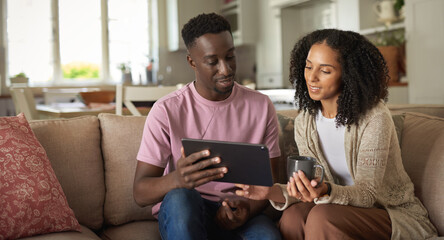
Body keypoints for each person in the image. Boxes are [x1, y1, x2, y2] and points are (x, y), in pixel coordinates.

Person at [235, 29, 438, 239]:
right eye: (308, 66)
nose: (311, 77)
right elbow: (308, 188)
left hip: (390, 213)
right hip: (334, 208)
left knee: (322, 216)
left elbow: (367, 194)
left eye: (325, 70)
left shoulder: (374, 118)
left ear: (348, 74)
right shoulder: (305, 121)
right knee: (293, 216)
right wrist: (269, 191)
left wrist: (326, 191)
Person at [133, 13, 282, 240]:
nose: (226, 69)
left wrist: (246, 209)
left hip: (238, 211)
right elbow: (140, 192)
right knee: (181, 199)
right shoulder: (166, 110)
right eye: (213, 62)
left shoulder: (261, 105)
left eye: (230, 57)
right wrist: (177, 179)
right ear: (192, 61)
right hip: (186, 209)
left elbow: (269, 184)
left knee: (268, 237)